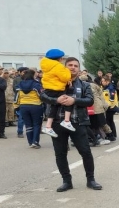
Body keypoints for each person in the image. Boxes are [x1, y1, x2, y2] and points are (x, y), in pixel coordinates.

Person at [40, 57, 103, 192]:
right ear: (64, 66)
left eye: (76, 65)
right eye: (70, 65)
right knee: (60, 154)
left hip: (77, 122)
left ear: (79, 69)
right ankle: (66, 181)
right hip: (57, 123)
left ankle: (91, 180)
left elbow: (89, 100)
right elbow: (43, 96)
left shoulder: (85, 85)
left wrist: (74, 100)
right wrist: (56, 100)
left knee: (85, 152)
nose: (73, 67)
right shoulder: (54, 82)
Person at [40, 49, 75, 137]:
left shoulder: (46, 66)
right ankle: (67, 121)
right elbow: (65, 77)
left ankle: (48, 126)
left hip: (48, 88)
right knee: (68, 101)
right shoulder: (58, 66)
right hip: (57, 88)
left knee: (54, 107)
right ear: (59, 59)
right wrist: (67, 71)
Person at [15, 69, 44, 148]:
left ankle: (30, 142)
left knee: (28, 125)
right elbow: (41, 95)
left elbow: (17, 97)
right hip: (36, 106)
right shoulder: (36, 84)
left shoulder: (20, 84)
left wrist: (16, 106)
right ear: (33, 75)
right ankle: (35, 142)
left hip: (23, 106)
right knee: (36, 124)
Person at [101, 76, 119, 141]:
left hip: (111, 107)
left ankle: (111, 135)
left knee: (107, 121)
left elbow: (112, 98)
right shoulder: (106, 87)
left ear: (107, 81)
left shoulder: (111, 88)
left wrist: (107, 105)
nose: (102, 82)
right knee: (110, 121)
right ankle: (113, 134)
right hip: (110, 106)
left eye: (103, 81)